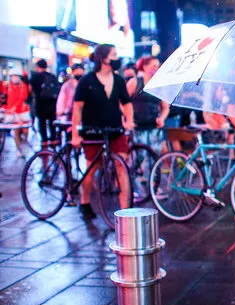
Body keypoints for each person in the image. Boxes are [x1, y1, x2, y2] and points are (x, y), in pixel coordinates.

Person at [71, 44, 134, 220]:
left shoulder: (119, 80)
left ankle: (125, 211)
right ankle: (84, 202)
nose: (117, 58)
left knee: (122, 165)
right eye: (114, 54)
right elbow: (77, 109)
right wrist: (75, 134)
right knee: (92, 168)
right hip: (93, 131)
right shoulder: (86, 81)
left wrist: (129, 120)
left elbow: (127, 103)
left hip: (115, 129)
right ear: (103, 58)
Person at [127, 55, 170, 153]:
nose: (156, 68)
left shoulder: (159, 85)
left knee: (154, 158)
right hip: (137, 127)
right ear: (145, 66)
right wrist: (128, 120)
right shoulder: (134, 82)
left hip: (154, 127)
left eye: (158, 66)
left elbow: (165, 107)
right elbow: (122, 102)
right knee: (139, 158)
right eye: (154, 66)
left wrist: (162, 119)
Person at [30, 59, 59, 146]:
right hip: (52, 103)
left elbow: (30, 89)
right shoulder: (52, 76)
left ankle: (44, 140)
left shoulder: (35, 77)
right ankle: (53, 139)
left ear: (38, 67)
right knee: (52, 122)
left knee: (42, 122)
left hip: (41, 103)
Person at [4, 67, 31, 155]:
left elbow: (22, 98)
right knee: (16, 131)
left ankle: (24, 145)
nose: (14, 78)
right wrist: (8, 109)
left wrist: (15, 107)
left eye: (16, 76)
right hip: (13, 113)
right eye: (12, 76)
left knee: (25, 130)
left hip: (23, 111)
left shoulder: (23, 86)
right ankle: (18, 149)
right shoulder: (8, 86)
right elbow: (8, 99)